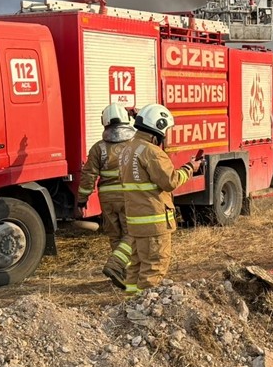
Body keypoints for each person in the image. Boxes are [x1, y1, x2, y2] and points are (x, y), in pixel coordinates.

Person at [101, 103, 203, 294]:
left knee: (135, 267)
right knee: (153, 268)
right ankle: (146, 313)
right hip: (154, 222)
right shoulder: (153, 152)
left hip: (135, 222)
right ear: (159, 127)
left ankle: (131, 306)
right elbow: (170, 182)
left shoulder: (126, 150)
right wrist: (190, 168)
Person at [77, 104, 137, 287]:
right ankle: (115, 265)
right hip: (129, 196)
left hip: (107, 199)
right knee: (132, 233)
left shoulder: (99, 148)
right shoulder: (136, 145)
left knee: (115, 235)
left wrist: (82, 200)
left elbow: (88, 176)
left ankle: (122, 273)